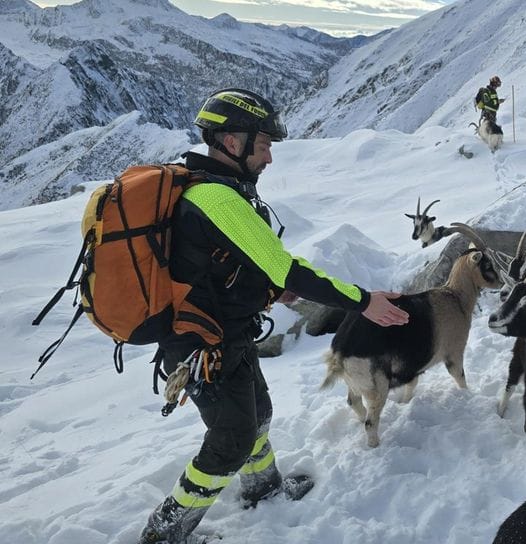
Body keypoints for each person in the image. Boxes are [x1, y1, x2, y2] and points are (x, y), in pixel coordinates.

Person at [139, 88, 409, 544]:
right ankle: (163, 534)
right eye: (263, 146)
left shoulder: (219, 192)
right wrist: (364, 301)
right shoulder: (217, 199)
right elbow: (284, 266)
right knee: (230, 442)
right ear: (231, 142)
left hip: (225, 338)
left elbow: (227, 262)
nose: (268, 158)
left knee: (257, 415)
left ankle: (263, 488)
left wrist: (269, 289)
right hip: (200, 347)